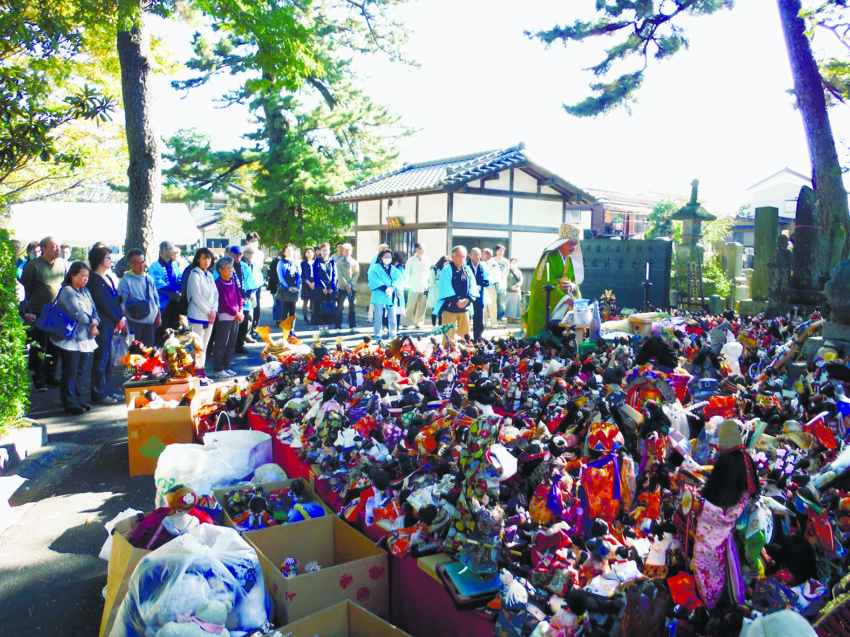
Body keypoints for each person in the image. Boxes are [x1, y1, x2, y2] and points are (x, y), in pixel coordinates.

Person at [21, 236, 68, 390]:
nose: (58, 249)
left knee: (55, 346)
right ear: (44, 248)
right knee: (39, 347)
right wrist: (26, 311)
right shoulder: (33, 266)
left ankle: (50, 375)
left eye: (59, 246)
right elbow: (24, 290)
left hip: (57, 312)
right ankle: (38, 379)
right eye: (54, 246)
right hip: (39, 311)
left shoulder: (62, 264)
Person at [53, 262, 99, 415]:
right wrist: (92, 322)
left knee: (80, 370)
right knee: (70, 371)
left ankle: (78, 399)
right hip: (70, 338)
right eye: (82, 276)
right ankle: (69, 402)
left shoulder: (85, 291)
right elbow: (76, 312)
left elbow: (94, 309)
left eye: (87, 276)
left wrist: (96, 321)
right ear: (73, 275)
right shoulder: (67, 291)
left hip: (85, 337)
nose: (85, 279)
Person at [524, 223, 584, 337]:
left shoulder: (570, 260)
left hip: (565, 305)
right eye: (571, 244)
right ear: (563, 242)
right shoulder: (549, 256)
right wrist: (565, 298)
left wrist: (573, 286)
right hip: (550, 303)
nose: (573, 248)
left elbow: (576, 281)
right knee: (543, 336)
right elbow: (544, 282)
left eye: (575, 244)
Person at [87, 246, 126, 405]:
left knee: (108, 359)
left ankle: (107, 389)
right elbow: (102, 303)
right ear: (99, 260)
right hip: (103, 323)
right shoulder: (94, 279)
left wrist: (120, 317)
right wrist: (118, 318)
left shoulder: (108, 277)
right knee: (101, 358)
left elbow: (115, 300)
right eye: (107, 257)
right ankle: (99, 392)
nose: (110, 260)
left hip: (112, 322)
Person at [185, 247, 218, 386]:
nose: (206, 261)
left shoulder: (209, 275)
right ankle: (195, 375)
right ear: (198, 259)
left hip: (209, 316)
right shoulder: (194, 274)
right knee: (197, 347)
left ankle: (201, 373)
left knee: (204, 346)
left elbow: (216, 295)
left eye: (209, 258)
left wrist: (214, 310)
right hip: (197, 315)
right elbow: (196, 296)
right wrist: (208, 310)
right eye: (204, 258)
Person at [117, 248, 160, 347]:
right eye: (137, 263)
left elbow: (155, 298)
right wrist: (122, 320)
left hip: (150, 321)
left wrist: (158, 316)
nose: (141, 266)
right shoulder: (125, 281)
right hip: (134, 321)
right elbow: (121, 302)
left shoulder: (148, 278)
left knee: (149, 349)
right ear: (130, 264)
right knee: (136, 350)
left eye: (142, 262)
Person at [435, 245, 478, 341]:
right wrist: (457, 301)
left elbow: (473, 286)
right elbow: (445, 287)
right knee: (448, 337)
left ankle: (464, 354)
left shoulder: (467, 270)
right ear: (453, 256)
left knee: (465, 336)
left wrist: (467, 300)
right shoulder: (446, 270)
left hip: (465, 308)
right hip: (450, 307)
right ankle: (446, 355)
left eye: (464, 256)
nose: (462, 259)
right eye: (459, 256)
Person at [211, 256, 243, 380]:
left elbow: (239, 296)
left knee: (231, 343)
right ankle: (218, 369)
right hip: (225, 316)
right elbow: (223, 302)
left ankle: (226, 366)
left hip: (236, 316)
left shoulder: (234, 281)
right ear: (220, 270)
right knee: (221, 343)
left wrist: (240, 310)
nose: (231, 270)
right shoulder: (218, 283)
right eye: (228, 268)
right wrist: (236, 313)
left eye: (231, 268)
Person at [148, 241, 182, 346]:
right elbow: (156, 282)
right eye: (170, 249)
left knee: (174, 328)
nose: (172, 251)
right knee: (161, 329)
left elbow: (180, 279)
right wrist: (171, 292)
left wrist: (177, 292)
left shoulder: (174, 265)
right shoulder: (155, 266)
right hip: (162, 304)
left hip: (174, 303)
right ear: (163, 250)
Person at [224, 245, 257, 353]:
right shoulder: (226, 266)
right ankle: (229, 347)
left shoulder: (244, 266)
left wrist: (247, 296)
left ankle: (239, 345)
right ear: (230, 254)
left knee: (244, 324)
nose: (237, 257)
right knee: (231, 325)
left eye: (239, 255)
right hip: (231, 300)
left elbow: (250, 282)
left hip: (244, 300)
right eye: (235, 255)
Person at [367, 248, 402, 340]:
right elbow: (373, 279)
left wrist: (392, 288)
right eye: (386, 257)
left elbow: (398, 279)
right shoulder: (375, 268)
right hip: (379, 294)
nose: (388, 258)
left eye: (389, 257)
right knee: (378, 316)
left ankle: (393, 335)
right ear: (381, 258)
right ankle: (378, 335)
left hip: (391, 294)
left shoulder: (394, 269)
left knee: (392, 316)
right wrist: (385, 288)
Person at [467, 247, 491, 341]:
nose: (478, 257)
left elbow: (488, 276)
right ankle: (466, 337)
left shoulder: (483, 265)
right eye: (476, 255)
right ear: (470, 255)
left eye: (479, 255)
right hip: (468, 294)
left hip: (480, 293)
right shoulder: (466, 265)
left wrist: (486, 281)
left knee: (479, 314)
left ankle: (478, 336)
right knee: (467, 315)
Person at [312, 242, 337, 331]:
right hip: (320, 288)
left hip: (330, 288)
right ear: (320, 251)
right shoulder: (317, 261)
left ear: (329, 251)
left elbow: (334, 275)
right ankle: (320, 327)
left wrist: (332, 287)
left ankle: (326, 327)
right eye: (323, 250)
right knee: (319, 307)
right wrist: (323, 287)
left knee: (329, 307)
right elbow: (316, 275)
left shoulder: (332, 261)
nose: (325, 252)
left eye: (327, 250)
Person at [404, 243, 430, 328]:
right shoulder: (411, 260)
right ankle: (406, 322)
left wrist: (428, 284)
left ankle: (419, 322)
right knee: (410, 305)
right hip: (413, 286)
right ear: (416, 249)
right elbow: (407, 273)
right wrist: (407, 284)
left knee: (422, 306)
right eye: (420, 249)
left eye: (423, 249)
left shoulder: (427, 260)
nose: (422, 250)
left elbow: (428, 273)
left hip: (424, 286)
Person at [275, 244, 301, 328]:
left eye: (291, 250)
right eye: (288, 251)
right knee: (284, 311)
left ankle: (292, 330)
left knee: (293, 311)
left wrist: (296, 287)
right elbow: (280, 277)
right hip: (285, 290)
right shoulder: (281, 263)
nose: (290, 252)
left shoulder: (296, 262)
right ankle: (285, 330)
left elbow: (299, 276)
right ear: (284, 252)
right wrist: (288, 287)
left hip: (294, 289)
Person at [336, 243, 359, 331]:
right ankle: (338, 326)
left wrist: (351, 284)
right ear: (342, 251)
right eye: (345, 250)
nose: (347, 252)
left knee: (352, 307)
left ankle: (352, 326)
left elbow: (356, 274)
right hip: (342, 287)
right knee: (340, 307)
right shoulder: (338, 262)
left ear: (351, 251)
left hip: (352, 287)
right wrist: (346, 285)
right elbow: (339, 275)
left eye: (348, 250)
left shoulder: (354, 262)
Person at [243, 245, 264, 335]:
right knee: (246, 314)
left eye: (253, 253)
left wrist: (256, 287)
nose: (251, 255)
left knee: (254, 311)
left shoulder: (254, 264)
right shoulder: (242, 264)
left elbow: (259, 277)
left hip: (254, 291)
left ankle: (252, 330)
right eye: (249, 253)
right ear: (245, 253)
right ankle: (245, 334)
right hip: (244, 293)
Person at [426, 256, 448, 327]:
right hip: (435, 292)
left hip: (443, 293)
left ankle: (440, 326)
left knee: (442, 310)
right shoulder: (434, 270)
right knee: (435, 310)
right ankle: (434, 326)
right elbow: (431, 282)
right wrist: (440, 283)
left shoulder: (447, 270)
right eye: (446, 264)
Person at [481, 247, 499, 328]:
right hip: (482, 287)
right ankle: (484, 321)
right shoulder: (481, 263)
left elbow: (496, 275)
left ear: (488, 255)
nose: (482, 255)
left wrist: (489, 281)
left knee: (492, 305)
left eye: (484, 253)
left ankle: (494, 322)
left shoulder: (494, 263)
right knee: (483, 304)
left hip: (491, 286)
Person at [491, 244, 510, 321]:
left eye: (503, 250)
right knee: (493, 301)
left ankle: (500, 317)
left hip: (502, 283)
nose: (502, 252)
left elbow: (506, 272)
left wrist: (503, 282)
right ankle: (493, 317)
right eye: (500, 250)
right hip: (494, 283)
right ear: (496, 251)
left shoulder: (506, 261)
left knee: (501, 302)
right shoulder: (492, 260)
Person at [504, 257, 524, 323]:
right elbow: (506, 280)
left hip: (516, 290)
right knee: (509, 304)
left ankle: (515, 318)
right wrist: (510, 287)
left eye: (515, 262)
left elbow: (521, 280)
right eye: (512, 262)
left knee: (516, 305)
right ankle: (509, 318)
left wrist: (517, 286)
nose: (514, 264)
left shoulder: (519, 272)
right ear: (509, 263)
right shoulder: (507, 271)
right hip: (509, 290)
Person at [300, 246, 315, 325]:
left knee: (313, 302)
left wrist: (314, 283)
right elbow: (302, 275)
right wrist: (309, 283)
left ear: (313, 253)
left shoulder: (316, 262)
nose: (309, 254)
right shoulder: (303, 263)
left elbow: (319, 274)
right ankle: (305, 318)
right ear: (305, 254)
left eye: (311, 252)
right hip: (306, 283)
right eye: (308, 252)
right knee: (305, 302)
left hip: (315, 283)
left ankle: (313, 318)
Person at [267, 248, 282, 324]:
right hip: (275, 286)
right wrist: (278, 283)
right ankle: (277, 319)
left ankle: (280, 318)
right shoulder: (275, 262)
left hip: (280, 286)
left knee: (281, 303)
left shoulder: (283, 262)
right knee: (277, 303)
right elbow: (272, 275)